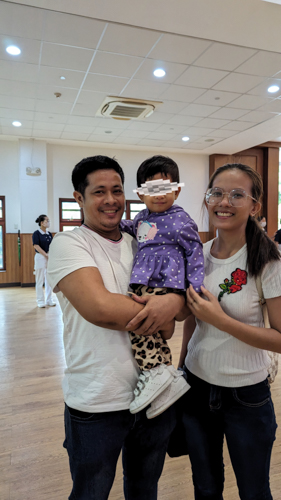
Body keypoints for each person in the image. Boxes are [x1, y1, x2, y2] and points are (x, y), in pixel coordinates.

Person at [47, 155, 187, 500]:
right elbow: (101, 308)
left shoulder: (141, 241)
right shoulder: (70, 243)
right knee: (90, 493)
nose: (111, 200)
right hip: (97, 402)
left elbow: (179, 304)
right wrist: (167, 308)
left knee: (144, 490)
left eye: (117, 191)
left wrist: (174, 303)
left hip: (154, 399)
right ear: (79, 198)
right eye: (99, 192)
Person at [179, 163, 281, 500]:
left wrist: (222, 320)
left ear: (254, 206)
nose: (225, 202)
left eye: (237, 194)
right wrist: (181, 369)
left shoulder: (268, 260)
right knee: (205, 488)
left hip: (246, 396)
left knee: (254, 491)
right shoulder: (199, 255)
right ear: (207, 200)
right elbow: (193, 320)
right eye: (217, 193)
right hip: (196, 387)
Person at [120, 155, 204, 419]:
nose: (159, 196)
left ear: (176, 190)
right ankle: (165, 379)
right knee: (152, 331)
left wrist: (195, 287)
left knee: (140, 324)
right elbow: (132, 228)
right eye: (151, 190)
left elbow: (195, 252)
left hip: (166, 282)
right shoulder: (141, 217)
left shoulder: (181, 220)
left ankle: (156, 371)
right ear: (140, 194)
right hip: (144, 281)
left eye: (165, 188)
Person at [32, 214, 56, 308]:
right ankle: (40, 301)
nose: (48, 222)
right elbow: (36, 246)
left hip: (49, 257)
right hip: (40, 257)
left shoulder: (49, 234)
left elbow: (52, 245)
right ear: (42, 223)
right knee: (39, 280)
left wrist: (50, 255)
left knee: (48, 279)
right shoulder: (36, 233)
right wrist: (45, 255)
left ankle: (49, 299)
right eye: (47, 221)